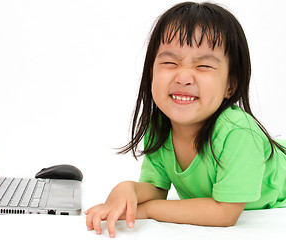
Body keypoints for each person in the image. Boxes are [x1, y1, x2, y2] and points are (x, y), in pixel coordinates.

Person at [85, 1, 286, 238]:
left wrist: (148, 210)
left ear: (230, 84)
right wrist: (127, 190)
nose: (183, 76)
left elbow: (225, 213)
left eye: (203, 65)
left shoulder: (240, 133)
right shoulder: (160, 126)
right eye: (170, 62)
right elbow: (157, 189)